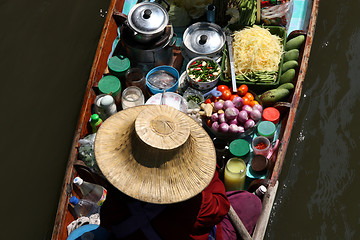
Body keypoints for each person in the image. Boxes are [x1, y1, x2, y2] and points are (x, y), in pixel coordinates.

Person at [94, 105, 261, 240]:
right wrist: (208, 172)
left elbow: (108, 221)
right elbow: (220, 207)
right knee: (250, 201)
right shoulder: (195, 202)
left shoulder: (117, 192)